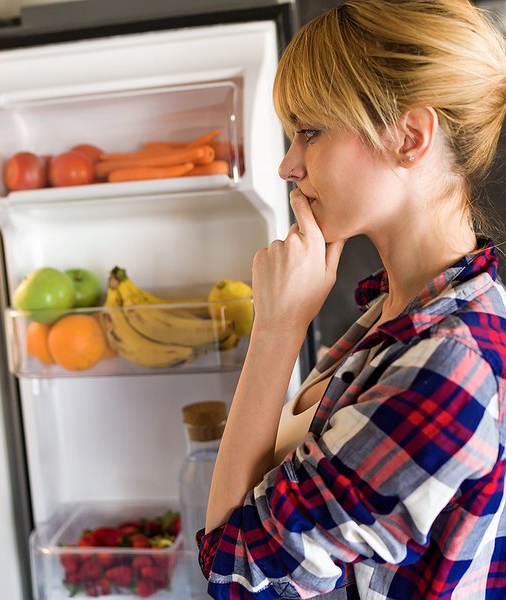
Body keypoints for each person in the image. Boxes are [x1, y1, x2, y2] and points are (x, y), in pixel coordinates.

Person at [197, 1, 506, 598]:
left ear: (410, 138)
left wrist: (278, 328)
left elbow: (236, 573)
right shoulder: (398, 314)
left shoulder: (448, 367)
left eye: (310, 132)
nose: (289, 166)